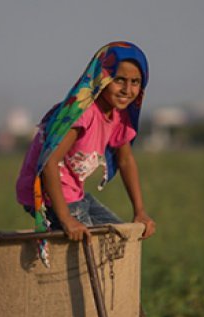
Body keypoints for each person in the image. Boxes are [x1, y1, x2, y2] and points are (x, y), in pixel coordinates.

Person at [15, 41, 156, 263]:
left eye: (135, 82)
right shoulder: (83, 112)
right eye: (119, 80)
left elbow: (126, 160)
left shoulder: (119, 115)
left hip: (75, 194)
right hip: (48, 193)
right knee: (93, 253)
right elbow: (49, 162)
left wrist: (140, 211)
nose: (127, 90)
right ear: (102, 77)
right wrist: (66, 219)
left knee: (121, 239)